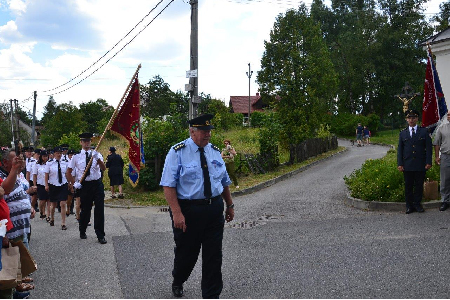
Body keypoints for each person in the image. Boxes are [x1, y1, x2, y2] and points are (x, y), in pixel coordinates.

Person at [160, 114, 235, 299]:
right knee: (187, 254)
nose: (208, 135)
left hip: (214, 209)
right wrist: (177, 213)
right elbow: (168, 184)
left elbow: (224, 181)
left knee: (213, 256)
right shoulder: (177, 152)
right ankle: (178, 279)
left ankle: (211, 295)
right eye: (203, 131)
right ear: (192, 132)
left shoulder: (215, 152)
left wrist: (230, 204)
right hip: (188, 210)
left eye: (209, 131)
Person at [66, 133, 107, 244]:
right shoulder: (76, 156)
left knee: (99, 209)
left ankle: (100, 234)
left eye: (88, 141)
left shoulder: (97, 154)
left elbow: (103, 168)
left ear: (91, 142)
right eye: (84, 141)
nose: (86, 143)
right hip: (85, 185)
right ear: (81, 142)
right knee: (86, 210)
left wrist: (98, 159)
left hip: (97, 184)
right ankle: (82, 229)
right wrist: (74, 183)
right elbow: (68, 172)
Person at [397, 109, 432, 214]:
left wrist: (428, 162)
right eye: (409, 118)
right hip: (407, 164)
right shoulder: (403, 133)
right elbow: (400, 150)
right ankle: (409, 206)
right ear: (406, 119)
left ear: (417, 119)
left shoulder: (424, 131)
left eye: (413, 118)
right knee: (408, 185)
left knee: (418, 185)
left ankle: (417, 204)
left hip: (420, 164)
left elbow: (428, 148)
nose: (411, 120)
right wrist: (400, 164)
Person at [44, 147, 69, 230]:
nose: (59, 155)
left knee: (63, 203)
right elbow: (46, 175)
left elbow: (67, 173)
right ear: (54, 154)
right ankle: (52, 218)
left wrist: (69, 183)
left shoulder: (65, 162)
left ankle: (63, 223)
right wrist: (46, 185)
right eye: (57, 153)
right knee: (53, 204)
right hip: (53, 184)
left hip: (63, 184)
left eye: (60, 153)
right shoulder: (49, 163)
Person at [433, 111, 450, 211]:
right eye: (448, 115)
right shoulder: (442, 128)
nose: (448, 116)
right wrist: (436, 156)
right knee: (445, 179)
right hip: (445, 156)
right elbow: (437, 143)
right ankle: (445, 201)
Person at [32, 150, 50, 221]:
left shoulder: (49, 163)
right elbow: (34, 175)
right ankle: (42, 212)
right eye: (44, 156)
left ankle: (48, 215)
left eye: (46, 156)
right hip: (40, 184)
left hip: (49, 184)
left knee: (49, 200)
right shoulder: (36, 164)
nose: (45, 158)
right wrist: (34, 185)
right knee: (42, 200)